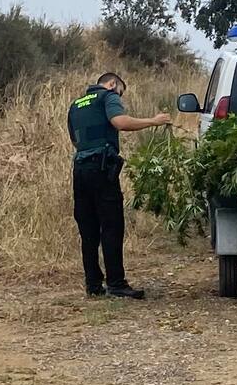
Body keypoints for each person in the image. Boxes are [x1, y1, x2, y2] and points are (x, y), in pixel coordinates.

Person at [67, 72, 172, 299]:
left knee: (89, 230)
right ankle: (116, 283)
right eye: (121, 92)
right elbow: (120, 122)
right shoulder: (107, 96)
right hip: (102, 169)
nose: (120, 97)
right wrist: (153, 121)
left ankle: (93, 285)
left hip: (80, 170)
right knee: (112, 226)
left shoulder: (76, 105)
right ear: (113, 84)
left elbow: (75, 140)